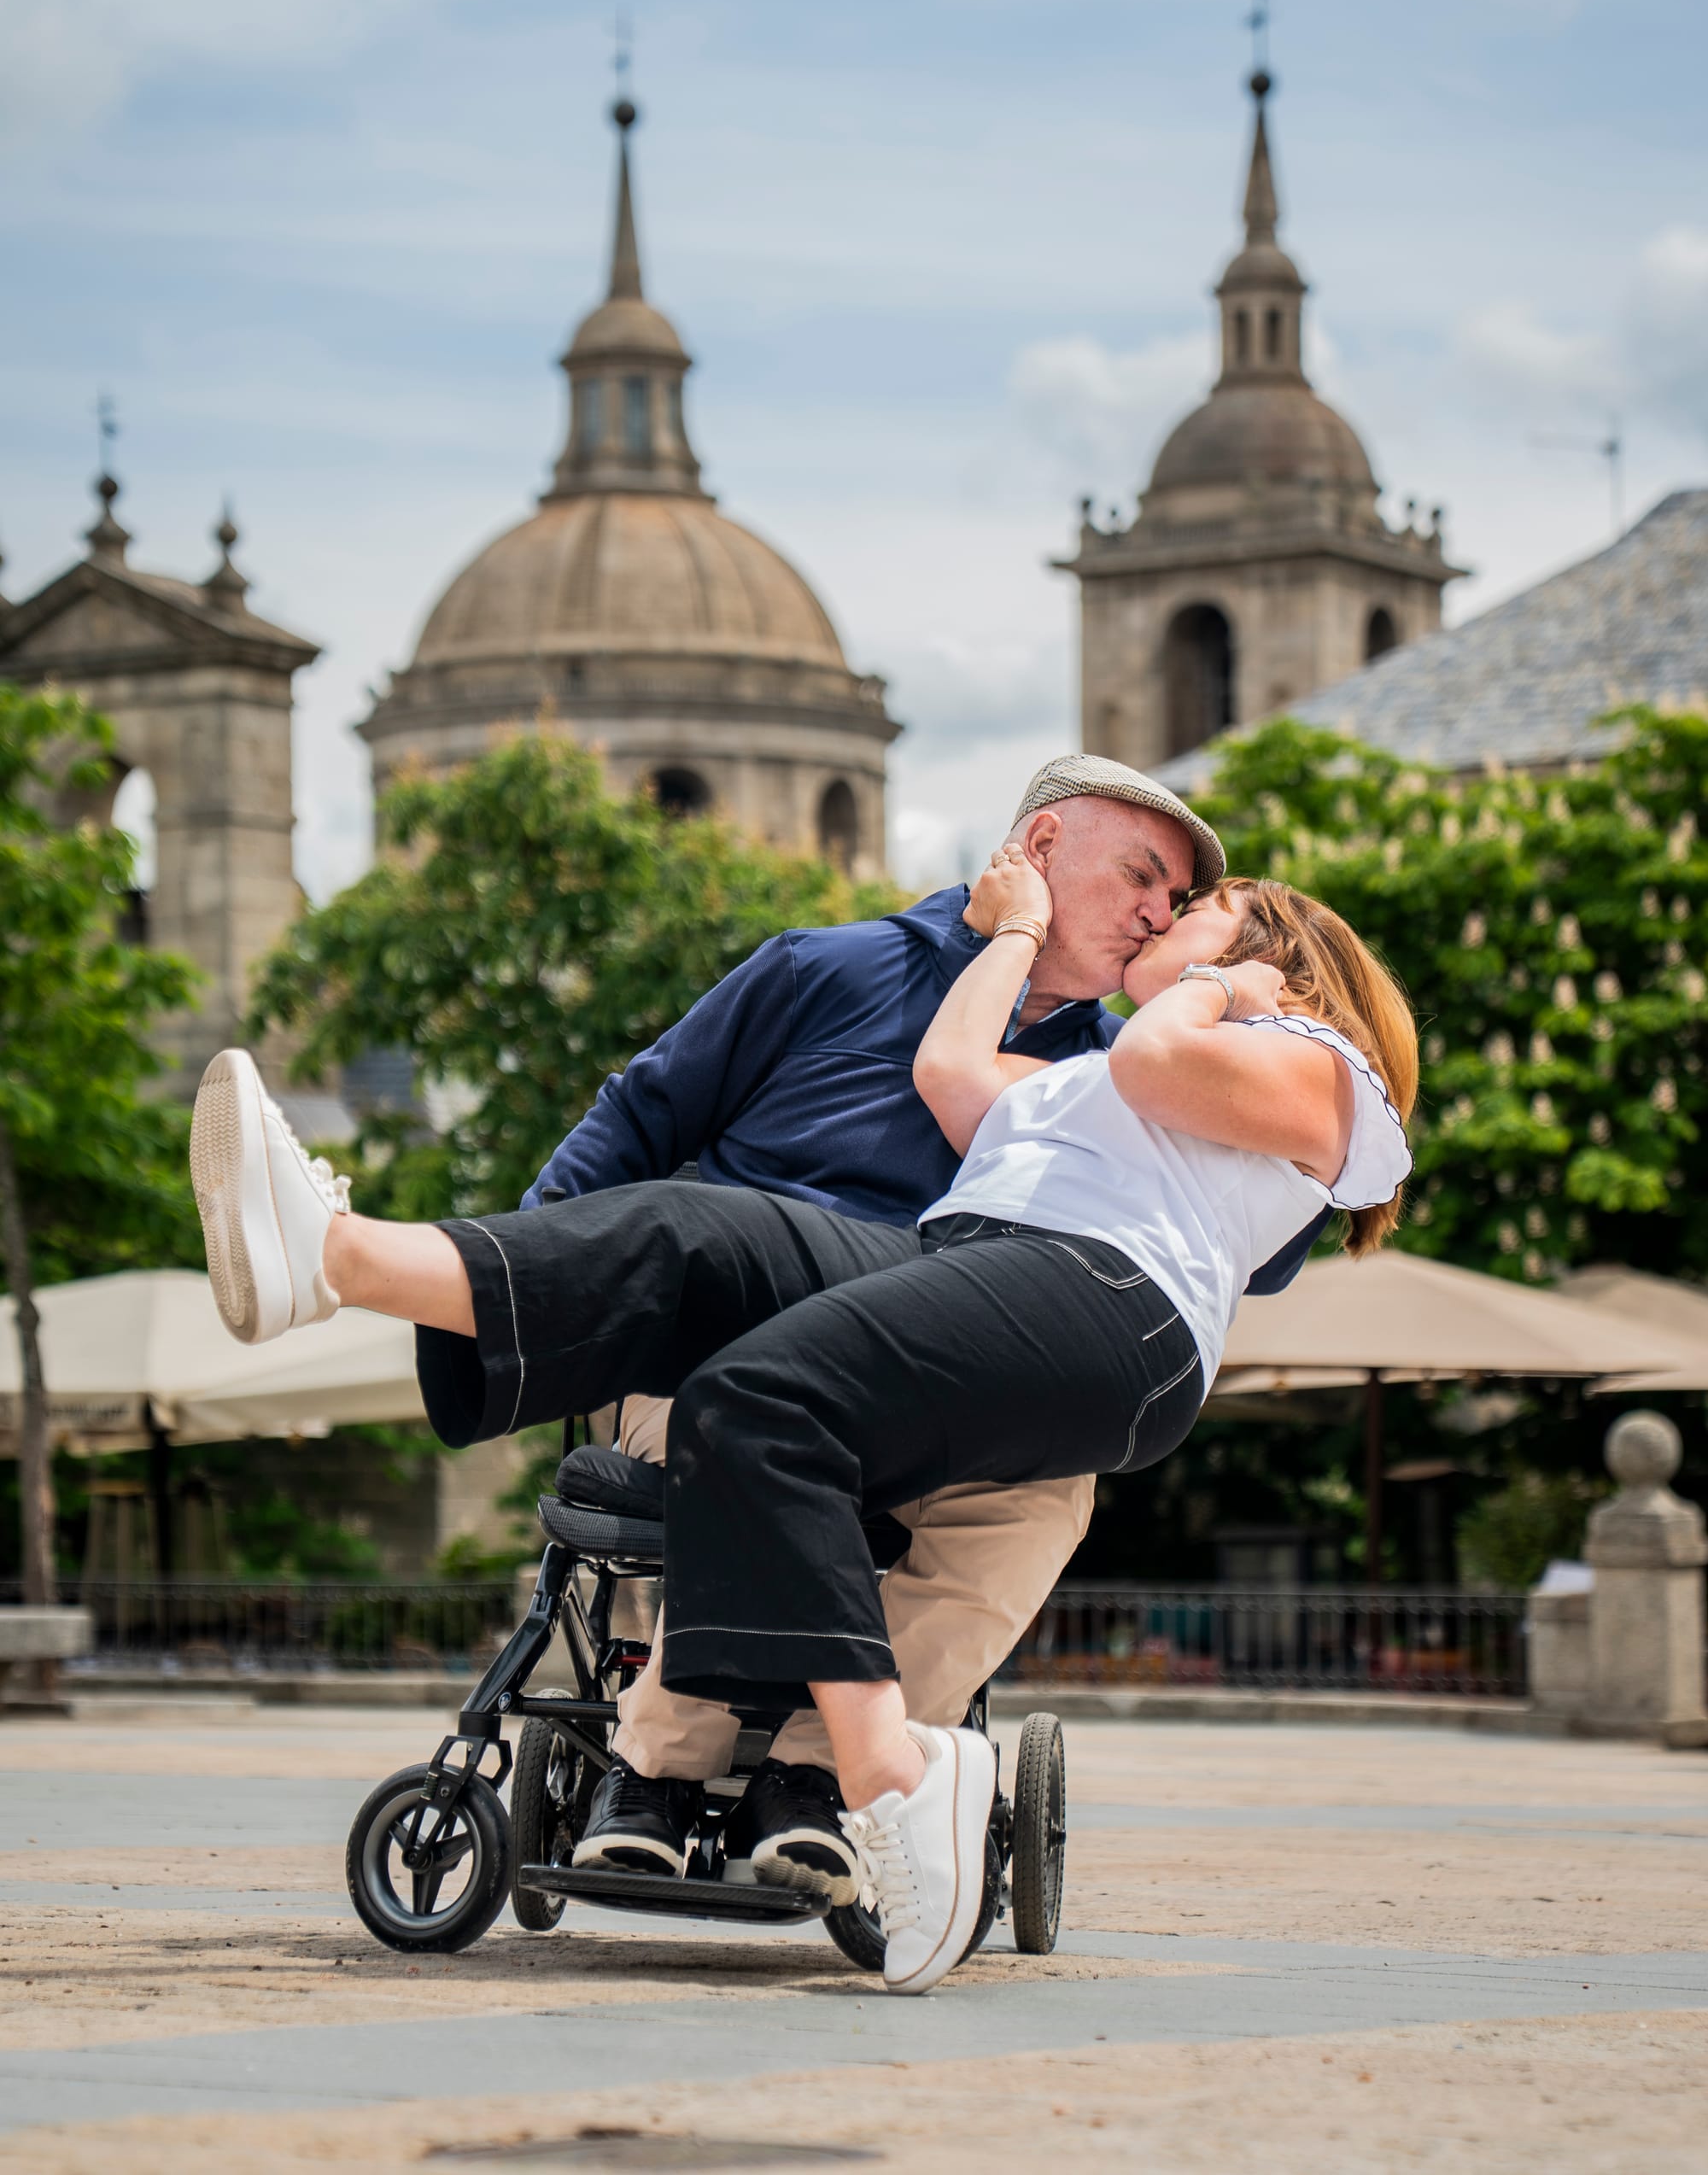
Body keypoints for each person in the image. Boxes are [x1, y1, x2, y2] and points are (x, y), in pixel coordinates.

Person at [189, 844, 1413, 1993]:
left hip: (1097, 1304)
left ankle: (877, 1782)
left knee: (767, 1405)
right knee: (698, 1254)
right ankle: (336, 1260)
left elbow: (1166, 1077)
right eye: (1151, 884)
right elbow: (951, 1073)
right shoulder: (1095, 1074)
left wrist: (1223, 985)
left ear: (1273, 953)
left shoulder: (1318, 1070)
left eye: (1194, 903)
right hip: (964, 1267)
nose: (1163, 911)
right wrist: (1019, 930)